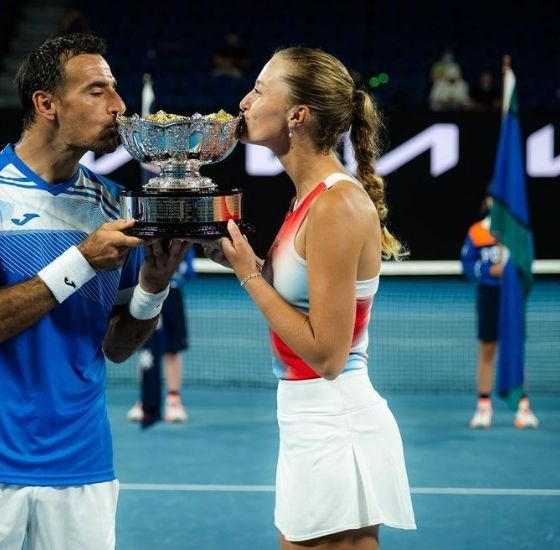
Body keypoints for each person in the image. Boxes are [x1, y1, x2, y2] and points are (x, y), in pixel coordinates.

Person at [0, 33, 190, 549]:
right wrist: (82, 260)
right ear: (46, 104)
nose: (119, 107)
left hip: (83, 464)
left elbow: (117, 347)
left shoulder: (116, 203)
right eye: (97, 91)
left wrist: (153, 289)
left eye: (115, 90)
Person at [201, 46, 416, 548]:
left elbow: (327, 355)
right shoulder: (309, 198)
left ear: (298, 115)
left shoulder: (336, 205)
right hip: (311, 418)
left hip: (334, 421)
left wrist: (248, 276)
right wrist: (245, 261)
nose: (244, 102)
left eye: (258, 89)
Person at [460, 197, 539, 429]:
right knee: (487, 349)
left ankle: (522, 408)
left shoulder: (518, 231)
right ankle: (484, 408)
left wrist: (514, 273)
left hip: (512, 298)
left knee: (516, 350)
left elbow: (527, 261)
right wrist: (489, 270)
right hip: (489, 297)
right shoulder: (477, 232)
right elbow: (466, 265)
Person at [126, 247, 196, 425]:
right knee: (145, 350)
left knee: (173, 349)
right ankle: (145, 400)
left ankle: (174, 401)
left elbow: (187, 269)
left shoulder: (181, 235)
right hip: (145, 294)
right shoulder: (143, 234)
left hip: (171, 295)